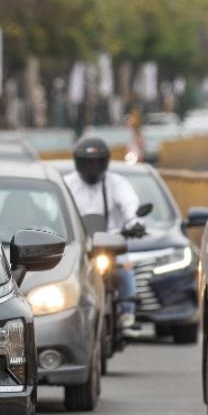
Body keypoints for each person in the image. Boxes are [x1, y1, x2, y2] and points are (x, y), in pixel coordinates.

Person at [63, 136, 144, 325]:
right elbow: (55, 211)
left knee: (125, 268)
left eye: (97, 163)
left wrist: (135, 223)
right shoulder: (67, 184)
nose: (92, 168)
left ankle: (127, 312)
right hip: (80, 247)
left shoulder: (117, 183)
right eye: (88, 163)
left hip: (111, 244)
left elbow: (130, 205)